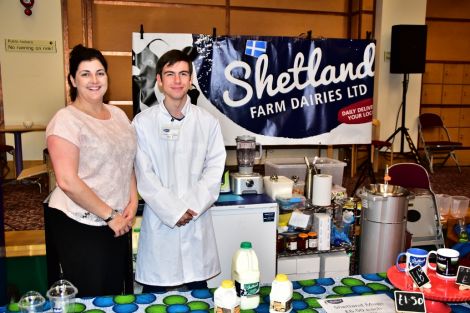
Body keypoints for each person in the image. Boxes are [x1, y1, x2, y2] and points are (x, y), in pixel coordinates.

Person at [45, 44, 138, 297]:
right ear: (73, 80)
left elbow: (125, 159)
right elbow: (67, 180)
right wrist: (110, 215)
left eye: (100, 72)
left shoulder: (118, 115)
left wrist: (132, 198)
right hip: (80, 221)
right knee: (92, 294)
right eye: (85, 74)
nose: (94, 80)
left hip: (117, 220)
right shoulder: (66, 120)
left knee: (114, 291)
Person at [133, 48, 226, 292]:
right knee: (155, 301)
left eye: (183, 74)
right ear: (160, 82)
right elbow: (144, 174)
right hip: (161, 225)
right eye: (170, 74)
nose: (177, 80)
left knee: (199, 299)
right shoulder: (142, 124)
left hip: (196, 221)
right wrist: (174, 210)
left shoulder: (208, 122)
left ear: (191, 80)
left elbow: (215, 169)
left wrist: (190, 207)